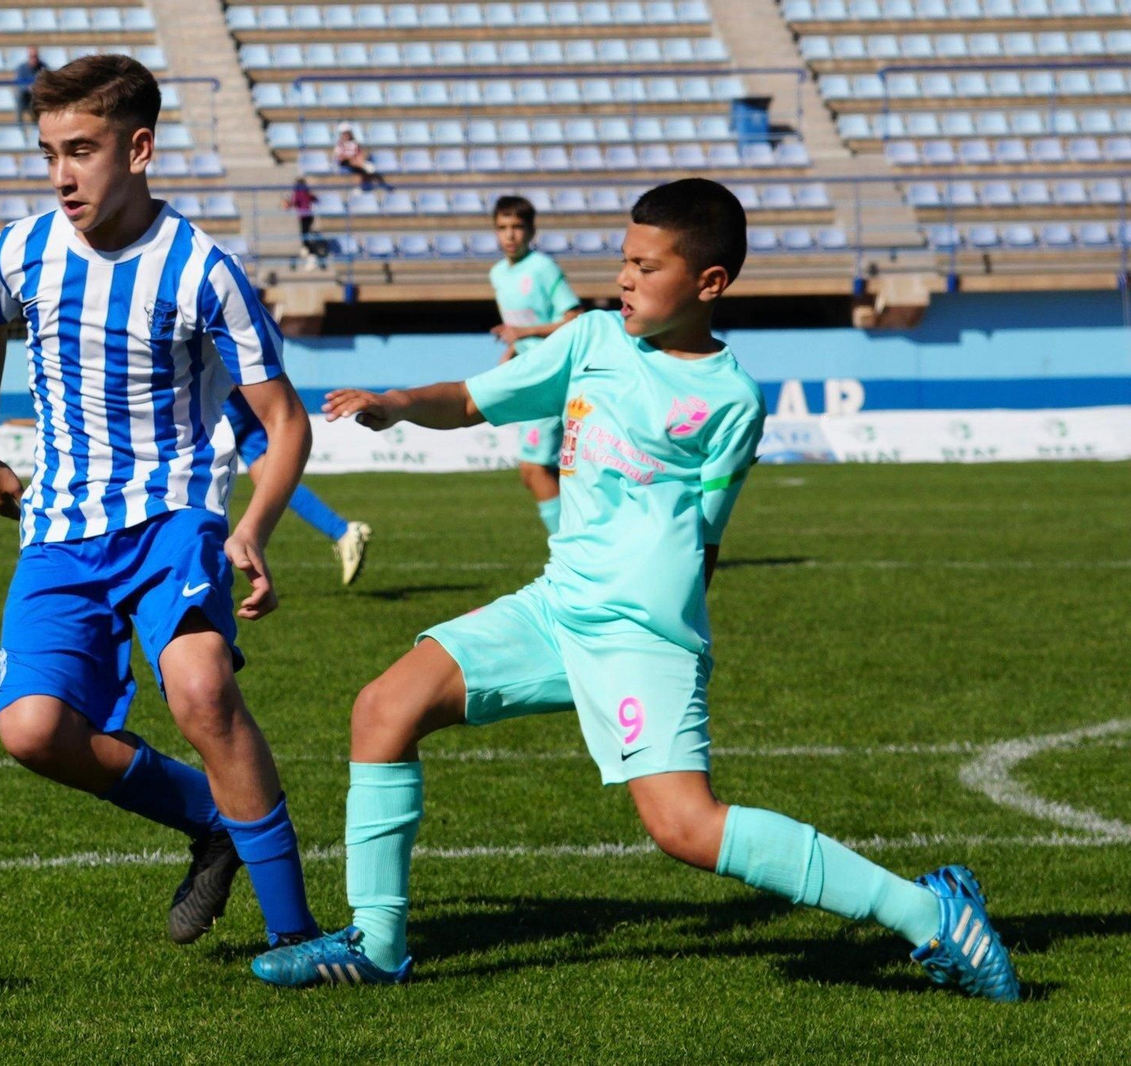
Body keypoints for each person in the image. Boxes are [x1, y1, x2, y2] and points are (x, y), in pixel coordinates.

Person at [250, 177, 1023, 1004]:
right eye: (622, 260)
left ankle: (929, 913)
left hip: (640, 637)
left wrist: (670, 638)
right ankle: (378, 942)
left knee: (684, 829)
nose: (624, 278)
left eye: (645, 266)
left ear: (708, 284)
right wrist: (396, 404)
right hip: (555, 607)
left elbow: (708, 541)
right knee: (384, 707)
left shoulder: (732, 401)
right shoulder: (589, 341)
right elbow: (475, 400)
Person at [0, 54, 321, 954]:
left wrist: (253, 528)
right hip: (60, 529)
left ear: (141, 147)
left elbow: (286, 424)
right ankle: (213, 822)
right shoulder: (20, 250)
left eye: (80, 150)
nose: (60, 174)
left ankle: (298, 937)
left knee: (201, 690)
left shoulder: (205, 270)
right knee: (33, 731)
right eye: (49, 152)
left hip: (175, 515)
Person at [485, 195, 582, 535]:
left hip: (553, 376)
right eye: (502, 228)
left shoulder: (542, 267)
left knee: (533, 469)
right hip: (531, 376)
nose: (509, 236)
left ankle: (568, 553)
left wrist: (524, 332)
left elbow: (575, 318)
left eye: (516, 227)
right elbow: (519, 330)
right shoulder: (498, 274)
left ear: (531, 231)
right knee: (542, 473)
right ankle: (583, 544)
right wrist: (510, 353)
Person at [225, 390, 371, 585]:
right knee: (269, 479)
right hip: (240, 399)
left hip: (217, 398)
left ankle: (199, 579)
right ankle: (342, 531)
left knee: (193, 484)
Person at [282, 177, 326, 266]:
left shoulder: (298, 192)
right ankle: (307, 250)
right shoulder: (306, 191)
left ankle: (311, 254)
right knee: (305, 234)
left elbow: (294, 202)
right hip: (309, 215)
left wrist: (287, 204)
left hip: (304, 216)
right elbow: (315, 199)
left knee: (304, 235)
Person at [332, 122, 388, 191]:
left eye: (347, 133)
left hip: (355, 162)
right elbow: (340, 157)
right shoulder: (339, 144)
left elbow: (360, 153)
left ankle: (362, 185)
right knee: (362, 168)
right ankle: (364, 166)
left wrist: (358, 159)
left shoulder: (355, 143)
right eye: (344, 133)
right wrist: (352, 158)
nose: (346, 135)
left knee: (361, 170)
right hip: (345, 163)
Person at [14, 45, 44, 123]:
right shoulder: (21, 68)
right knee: (20, 97)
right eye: (31, 57)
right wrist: (29, 88)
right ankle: (19, 125)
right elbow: (19, 85)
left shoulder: (43, 68)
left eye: (35, 56)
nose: (34, 59)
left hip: (36, 97)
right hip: (25, 97)